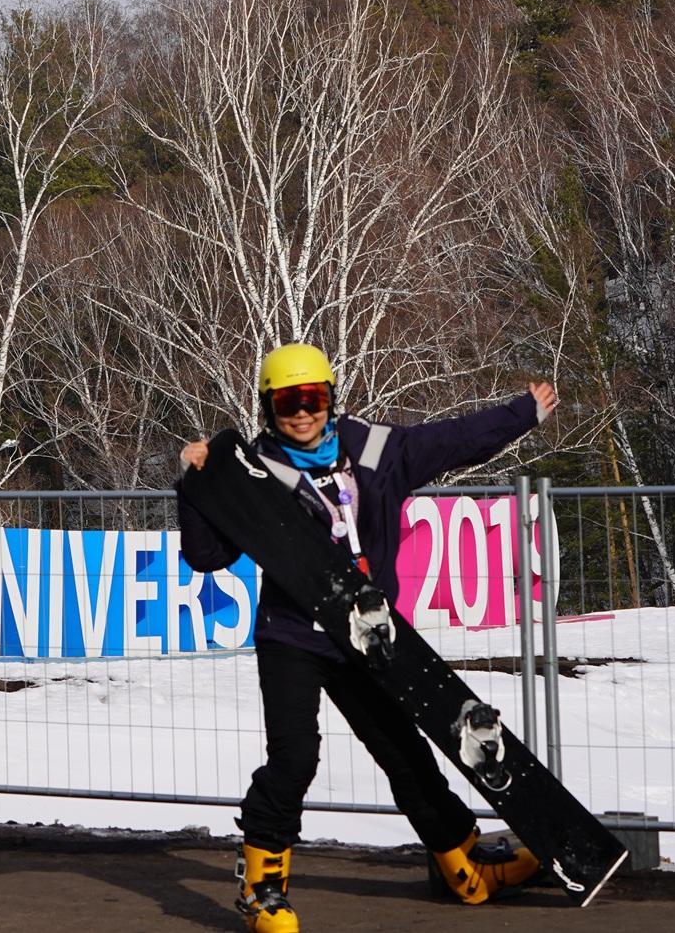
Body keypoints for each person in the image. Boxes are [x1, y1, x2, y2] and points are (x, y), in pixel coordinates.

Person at [176, 343, 557, 930]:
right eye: (286, 403)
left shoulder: (378, 451)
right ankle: (263, 886)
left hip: (367, 639)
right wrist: (197, 487)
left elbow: (452, 439)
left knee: (407, 757)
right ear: (266, 407)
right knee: (296, 756)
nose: (301, 414)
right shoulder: (251, 473)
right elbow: (205, 556)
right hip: (294, 637)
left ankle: (464, 864)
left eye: (313, 399)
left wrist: (520, 413)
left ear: (331, 399)